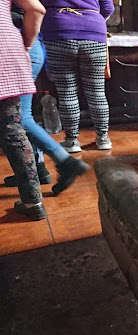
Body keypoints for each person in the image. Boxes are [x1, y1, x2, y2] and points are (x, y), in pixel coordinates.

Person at [5, 4, 90, 195]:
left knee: (17, 117)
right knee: (22, 114)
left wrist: (25, 46)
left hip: (21, 47)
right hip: (27, 46)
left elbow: (36, 9)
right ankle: (36, 168)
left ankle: (65, 162)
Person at [41, 0, 114, 153]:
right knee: (97, 91)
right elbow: (108, 7)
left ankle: (71, 140)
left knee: (67, 91)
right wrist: (91, 20)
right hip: (94, 30)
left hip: (58, 30)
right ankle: (103, 138)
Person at [0, 0, 47, 220]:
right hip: (7, 50)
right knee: (14, 131)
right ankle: (33, 201)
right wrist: (27, 45)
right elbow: (36, 8)